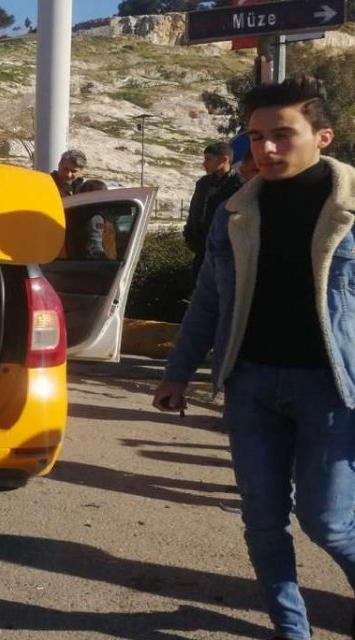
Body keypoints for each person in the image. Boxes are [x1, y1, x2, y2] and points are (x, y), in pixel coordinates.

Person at [153, 74, 355, 640]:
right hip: (252, 387)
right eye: (255, 136)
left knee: (329, 522)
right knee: (263, 523)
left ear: (324, 136)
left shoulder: (351, 209)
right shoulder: (234, 211)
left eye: (282, 135)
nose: (265, 149)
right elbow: (209, 303)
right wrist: (177, 373)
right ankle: (292, 630)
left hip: (333, 391)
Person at [183, 142, 241, 284]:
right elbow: (194, 210)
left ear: (224, 160)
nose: (204, 163)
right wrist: (189, 233)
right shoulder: (203, 183)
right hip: (201, 246)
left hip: (225, 248)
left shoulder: (238, 184)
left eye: (209, 159)